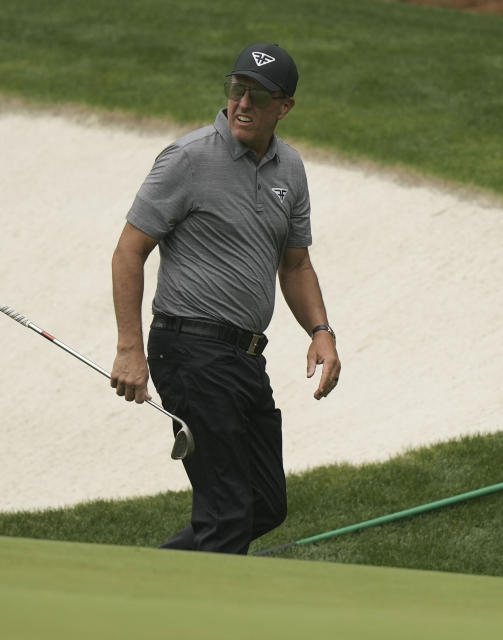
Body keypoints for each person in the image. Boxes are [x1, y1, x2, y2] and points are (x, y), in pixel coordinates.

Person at [110, 42, 341, 554]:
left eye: (259, 96)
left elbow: (296, 263)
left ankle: (143, 586)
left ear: (284, 107)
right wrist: (130, 348)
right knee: (228, 511)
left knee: (263, 503)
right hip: (189, 349)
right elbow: (129, 251)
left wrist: (321, 332)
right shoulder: (188, 159)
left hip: (245, 359)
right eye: (237, 90)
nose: (243, 104)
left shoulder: (290, 170)